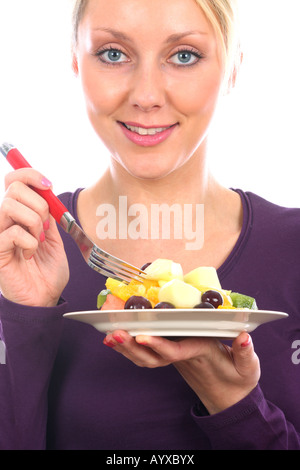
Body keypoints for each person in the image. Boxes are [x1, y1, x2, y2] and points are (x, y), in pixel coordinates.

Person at [0, 0, 299, 450]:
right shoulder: (17, 252)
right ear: (75, 62)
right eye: (113, 54)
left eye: (183, 55)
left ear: (233, 66)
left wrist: (234, 402)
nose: (146, 95)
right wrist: (25, 320)